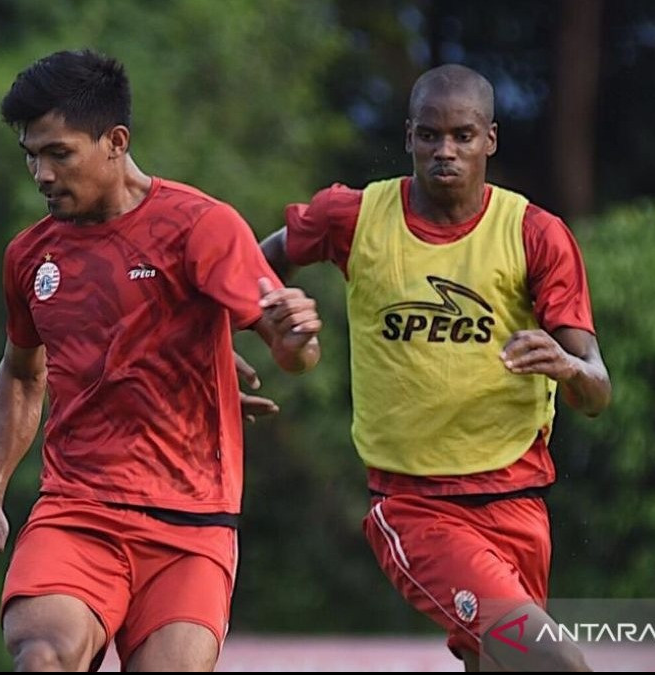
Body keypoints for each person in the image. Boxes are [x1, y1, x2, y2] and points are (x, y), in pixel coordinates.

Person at [0, 49, 321, 672]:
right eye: (30, 155)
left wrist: (296, 337)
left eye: (59, 153)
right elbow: (22, 371)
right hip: (78, 510)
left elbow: (292, 352)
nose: (41, 173)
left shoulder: (200, 227)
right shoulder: (29, 257)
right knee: (43, 658)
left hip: (193, 523)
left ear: (116, 141)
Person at [259, 64, 611, 671]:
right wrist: (271, 324)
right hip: (416, 505)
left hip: (517, 496)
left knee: (498, 664)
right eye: (429, 135)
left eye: (462, 136)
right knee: (555, 661)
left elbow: (598, 390)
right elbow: (249, 268)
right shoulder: (355, 216)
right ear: (408, 137)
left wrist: (567, 368)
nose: (444, 150)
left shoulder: (535, 234)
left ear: (490, 139)